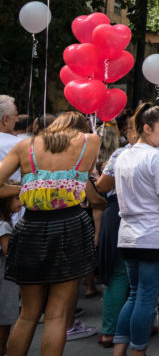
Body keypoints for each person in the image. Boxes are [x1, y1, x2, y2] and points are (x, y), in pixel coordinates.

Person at [0, 111, 100, 356]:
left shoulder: (25, 146)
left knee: (28, 315)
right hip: (70, 226)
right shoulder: (90, 141)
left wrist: (28, 187)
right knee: (56, 314)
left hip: (30, 227)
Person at [112, 103, 159, 356]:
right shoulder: (157, 156)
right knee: (145, 298)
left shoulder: (124, 155)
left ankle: (120, 349)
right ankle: (138, 351)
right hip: (154, 237)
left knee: (134, 296)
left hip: (128, 236)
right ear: (147, 128)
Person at [94, 112, 139, 348]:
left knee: (117, 273)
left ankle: (110, 331)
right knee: (140, 277)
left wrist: (96, 177)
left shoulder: (119, 155)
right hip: (145, 220)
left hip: (117, 213)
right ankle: (139, 326)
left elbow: (103, 185)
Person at [0, 184, 23, 355]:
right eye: (16, 197)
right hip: (4, 279)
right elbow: (10, 253)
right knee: (4, 319)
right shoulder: (3, 226)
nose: (20, 201)